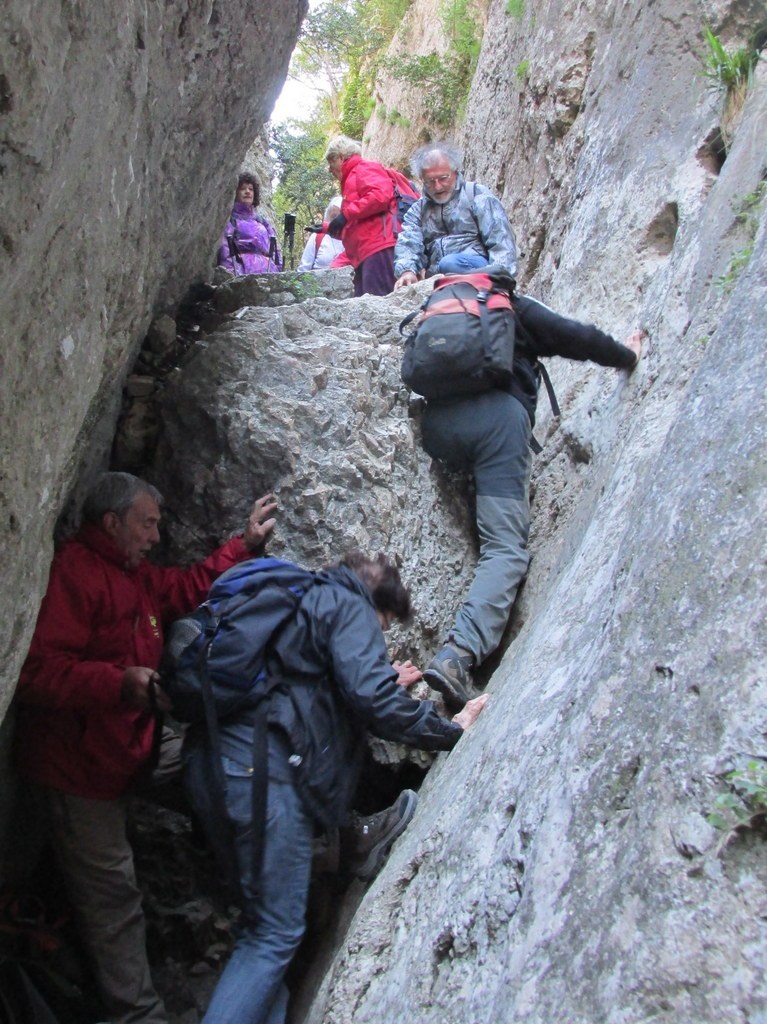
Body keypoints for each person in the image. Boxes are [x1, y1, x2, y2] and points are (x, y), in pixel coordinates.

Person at [14, 472, 278, 1024]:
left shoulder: (134, 576)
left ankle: (298, 862)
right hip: (76, 771)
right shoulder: (77, 573)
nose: (156, 536)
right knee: (114, 899)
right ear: (111, 524)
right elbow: (37, 672)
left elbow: (184, 589)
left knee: (227, 764)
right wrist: (119, 684)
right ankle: (138, 1015)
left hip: (131, 748)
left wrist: (244, 546)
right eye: (147, 523)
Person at [183, 551, 488, 1024]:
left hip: (215, 768)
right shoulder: (348, 605)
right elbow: (373, 698)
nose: (377, 637)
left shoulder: (304, 604)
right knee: (273, 935)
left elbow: (326, 696)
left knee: (267, 931)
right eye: (382, 626)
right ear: (377, 605)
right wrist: (452, 731)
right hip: (260, 775)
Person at [420, 299, 646, 709]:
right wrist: (628, 355)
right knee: (504, 548)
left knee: (482, 485)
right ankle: (458, 654)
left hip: (437, 427)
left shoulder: (438, 306)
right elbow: (577, 337)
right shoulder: (508, 305)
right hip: (498, 424)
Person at [393, 141, 517, 288]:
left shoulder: (477, 196)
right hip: (439, 278)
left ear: (455, 172)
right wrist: (407, 270)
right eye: (430, 181)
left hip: (479, 269)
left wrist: (502, 281)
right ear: (422, 180)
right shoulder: (418, 211)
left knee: (449, 263)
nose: (437, 186)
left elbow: (501, 241)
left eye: (443, 178)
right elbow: (408, 243)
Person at [324, 136, 399, 297]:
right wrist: (327, 228)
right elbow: (356, 225)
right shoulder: (351, 179)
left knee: (378, 305)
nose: (330, 169)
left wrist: (346, 215)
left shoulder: (364, 168)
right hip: (364, 253)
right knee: (368, 307)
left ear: (341, 157)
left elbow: (380, 195)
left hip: (377, 248)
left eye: (331, 161)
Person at [216, 172, 283, 276]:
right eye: (243, 189)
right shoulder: (231, 220)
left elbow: (274, 249)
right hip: (242, 272)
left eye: (251, 189)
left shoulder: (262, 221)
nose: (247, 192)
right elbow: (226, 249)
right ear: (235, 193)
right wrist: (230, 274)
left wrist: (278, 272)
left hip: (269, 273)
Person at [296, 196, 348, 272]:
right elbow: (304, 269)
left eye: (339, 217)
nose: (336, 221)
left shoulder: (353, 239)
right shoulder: (317, 237)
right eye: (334, 217)